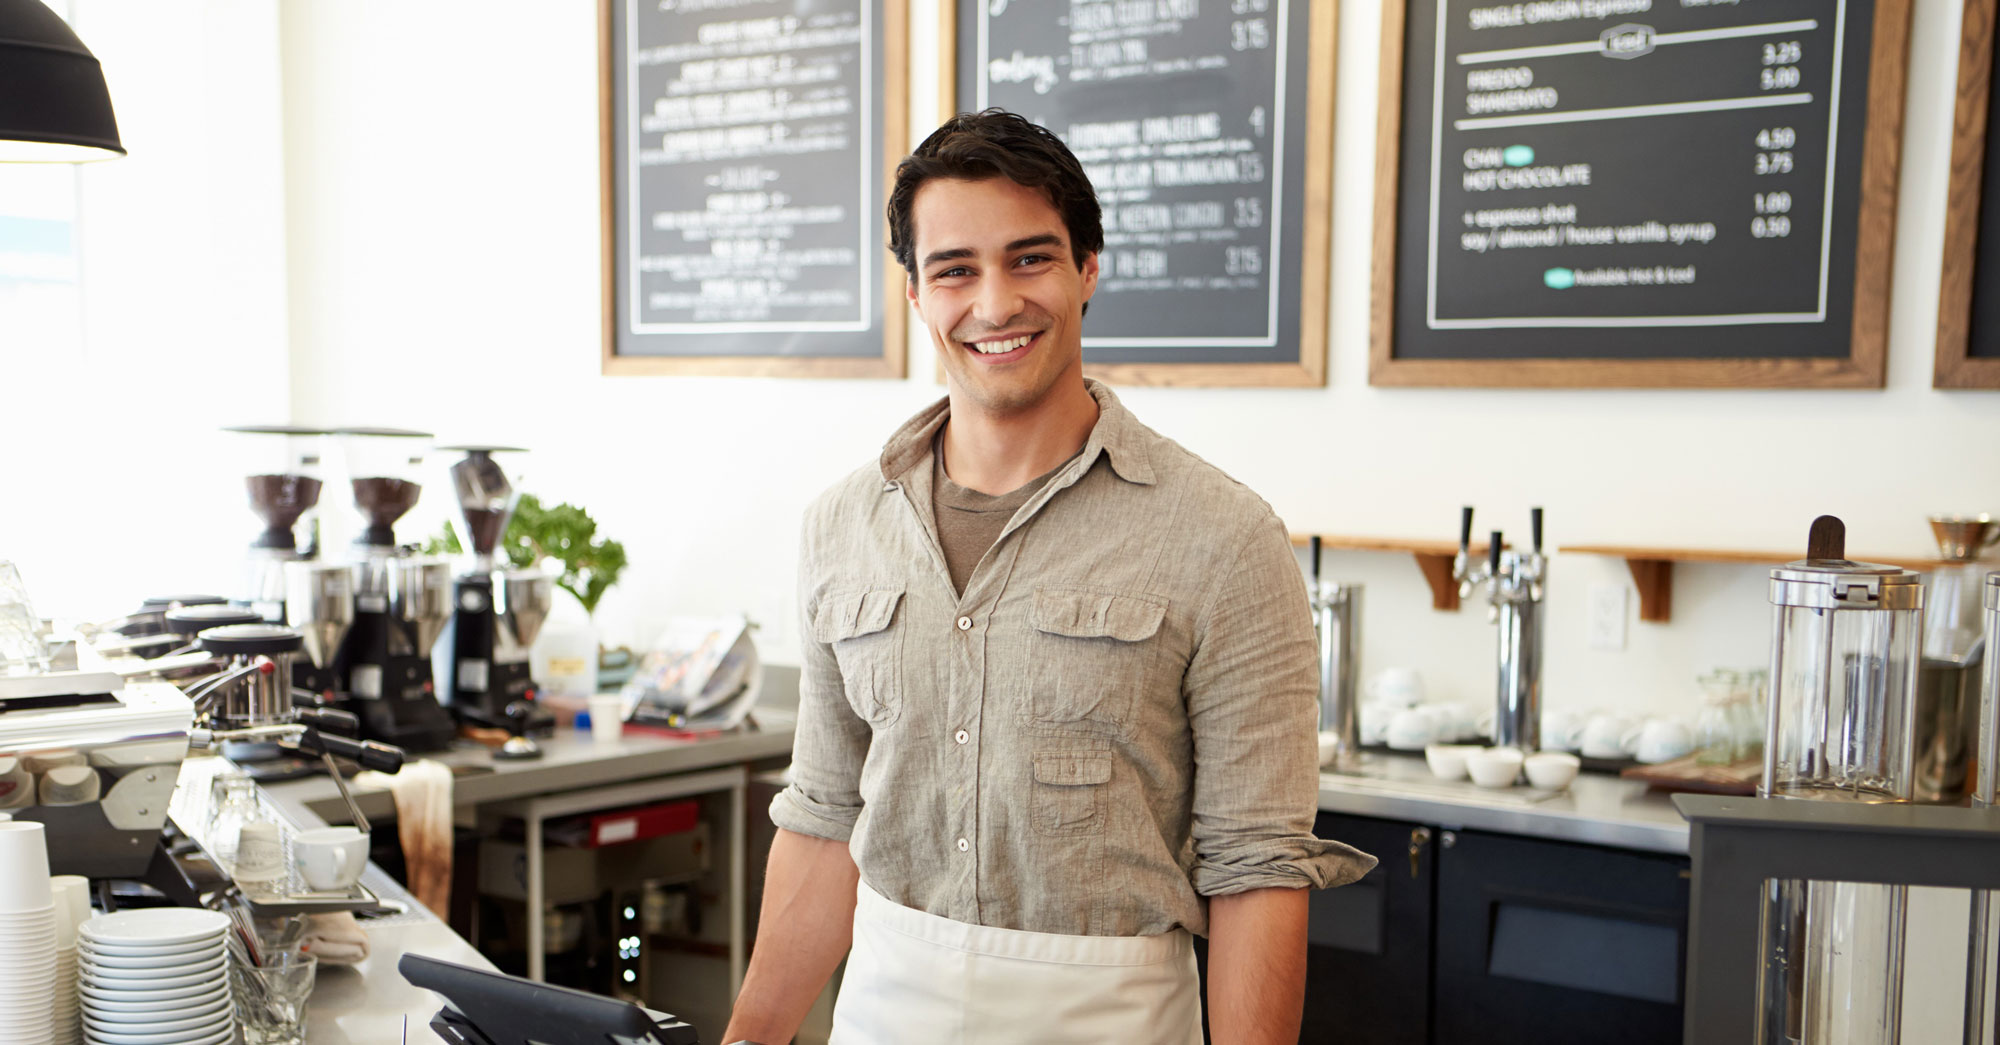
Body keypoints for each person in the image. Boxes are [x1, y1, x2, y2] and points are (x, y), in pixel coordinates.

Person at [721, 109, 1374, 1045]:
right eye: (955, 269)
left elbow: (1257, 869)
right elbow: (826, 820)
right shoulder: (842, 526)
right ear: (914, 293)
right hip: (882, 1014)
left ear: (1087, 270)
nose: (994, 304)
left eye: (1030, 259)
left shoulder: (1224, 537)